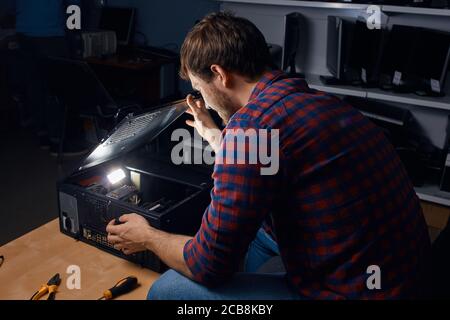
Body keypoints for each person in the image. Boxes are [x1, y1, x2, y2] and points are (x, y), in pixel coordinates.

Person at [106, 12, 431, 300]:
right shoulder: (310, 99)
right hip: (404, 276)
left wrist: (148, 236)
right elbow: (276, 156)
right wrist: (221, 140)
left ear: (219, 74)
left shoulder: (250, 130)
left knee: (166, 291)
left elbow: (207, 267)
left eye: (198, 86)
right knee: (260, 234)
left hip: (350, 292)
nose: (201, 96)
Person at [13, 0, 85, 156]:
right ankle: (58, 142)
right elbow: (73, 6)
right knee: (57, 88)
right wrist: (76, 37)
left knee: (35, 86)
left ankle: (43, 136)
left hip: (24, 32)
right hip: (50, 34)